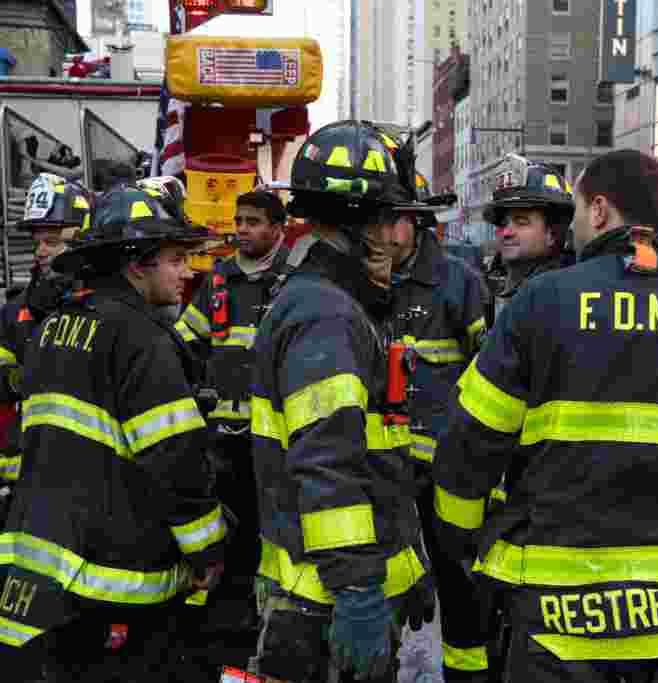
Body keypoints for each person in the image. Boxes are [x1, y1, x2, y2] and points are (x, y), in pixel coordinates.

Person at [433, 149, 658, 683]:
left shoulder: (539, 304)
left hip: (557, 621)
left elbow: (471, 445)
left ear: (599, 211)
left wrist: (462, 542)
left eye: (577, 211)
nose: (577, 225)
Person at [0, 183, 227, 683]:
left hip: (39, 569)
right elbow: (176, 461)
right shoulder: (143, 339)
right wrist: (209, 549)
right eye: (175, 258)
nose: (188, 272)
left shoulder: (51, 328)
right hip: (115, 578)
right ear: (137, 263)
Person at [249, 121, 434, 683]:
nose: (400, 240)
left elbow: (376, 459)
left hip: (327, 594)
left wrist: (411, 564)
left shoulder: (334, 305)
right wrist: (358, 589)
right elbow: (328, 466)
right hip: (323, 607)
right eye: (391, 222)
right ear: (359, 227)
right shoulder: (326, 316)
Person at [174, 188, 291, 670]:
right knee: (229, 538)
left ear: (278, 228)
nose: (242, 229)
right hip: (223, 438)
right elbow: (185, 341)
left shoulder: (293, 283)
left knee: (271, 539)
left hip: (274, 442)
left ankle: (268, 628)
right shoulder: (217, 279)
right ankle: (222, 633)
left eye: (253, 222)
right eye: (239, 220)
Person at [389, 173, 491, 682]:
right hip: (386, 467)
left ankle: (466, 674)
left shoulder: (458, 282)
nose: (384, 230)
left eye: (395, 218)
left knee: (457, 580)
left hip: (446, 470)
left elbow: (487, 371)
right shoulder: (371, 279)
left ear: (418, 222)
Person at [0, 173, 89, 493]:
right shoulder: (16, 311)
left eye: (52, 242)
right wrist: (15, 378)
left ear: (82, 241)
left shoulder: (106, 310)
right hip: (21, 475)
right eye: (37, 242)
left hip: (86, 478)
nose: (40, 251)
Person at [482, 153, 575, 326]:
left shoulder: (569, 297)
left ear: (552, 234)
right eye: (503, 223)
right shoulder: (489, 288)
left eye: (521, 222)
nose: (507, 232)